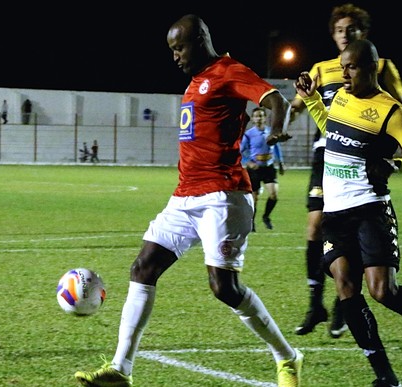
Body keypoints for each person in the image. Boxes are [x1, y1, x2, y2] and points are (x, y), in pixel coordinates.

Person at [73, 14, 302, 387]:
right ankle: (120, 369)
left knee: (224, 288)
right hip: (184, 195)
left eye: (179, 47)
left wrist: (276, 130)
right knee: (143, 267)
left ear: (200, 39)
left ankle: (287, 357)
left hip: (222, 196)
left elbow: (275, 98)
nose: (175, 56)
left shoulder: (228, 71)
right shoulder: (195, 83)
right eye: (172, 50)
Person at [295, 39, 402, 386]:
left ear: (372, 68)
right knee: (346, 287)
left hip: (370, 210)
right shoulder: (341, 97)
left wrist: (394, 163)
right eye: (342, 66)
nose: (343, 73)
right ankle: (386, 377)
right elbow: (333, 131)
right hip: (335, 213)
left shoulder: (391, 111)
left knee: (382, 292)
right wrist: (315, 100)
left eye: (352, 67)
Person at [291, 3, 402, 338]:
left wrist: (395, 149)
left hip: (360, 159)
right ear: (333, 34)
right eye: (340, 29)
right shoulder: (321, 68)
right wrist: (279, 124)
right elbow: (298, 106)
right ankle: (317, 304)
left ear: (363, 34)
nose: (346, 34)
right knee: (315, 227)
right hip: (326, 153)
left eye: (352, 29)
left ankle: (345, 302)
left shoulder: (381, 65)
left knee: (349, 227)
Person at [240, 106, 285, 231]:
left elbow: (276, 148)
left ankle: (266, 216)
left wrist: (281, 163)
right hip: (255, 169)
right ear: (253, 119)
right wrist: (248, 162)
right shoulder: (249, 135)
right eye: (256, 116)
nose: (258, 118)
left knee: (274, 194)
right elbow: (240, 151)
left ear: (265, 118)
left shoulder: (271, 132)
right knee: (254, 199)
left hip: (269, 167)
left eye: (261, 116)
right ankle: (251, 222)